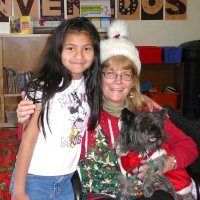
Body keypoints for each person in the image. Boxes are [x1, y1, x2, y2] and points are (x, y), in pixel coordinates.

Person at [16, 20, 198, 200]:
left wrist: (168, 163)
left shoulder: (148, 111)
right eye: (110, 73)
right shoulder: (84, 108)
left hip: (149, 189)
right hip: (101, 192)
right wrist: (26, 116)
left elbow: (189, 145)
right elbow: (31, 138)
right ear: (98, 76)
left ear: (134, 80)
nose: (118, 81)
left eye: (126, 74)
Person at [9, 17, 102, 200]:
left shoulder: (90, 85)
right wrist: (19, 190)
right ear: (58, 50)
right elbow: (28, 139)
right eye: (70, 48)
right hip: (34, 179)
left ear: (95, 52)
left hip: (66, 179)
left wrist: (145, 98)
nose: (79, 56)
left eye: (86, 49)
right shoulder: (42, 87)